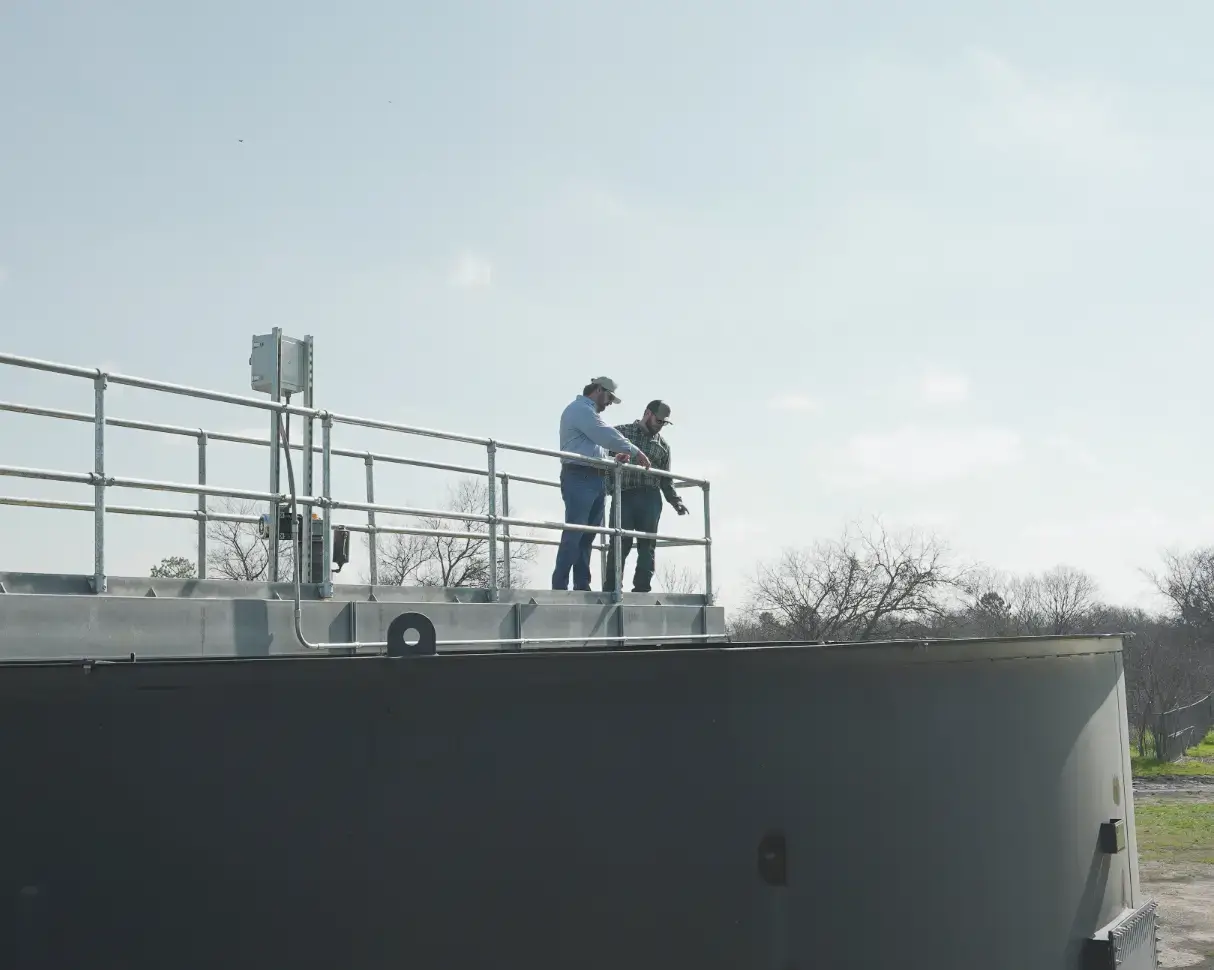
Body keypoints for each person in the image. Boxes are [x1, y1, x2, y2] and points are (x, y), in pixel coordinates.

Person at [552, 378, 652, 591]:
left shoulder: (589, 414)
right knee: (575, 532)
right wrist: (635, 451)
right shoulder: (580, 410)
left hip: (594, 477)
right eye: (608, 397)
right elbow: (605, 435)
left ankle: (581, 584)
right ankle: (559, 586)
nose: (608, 403)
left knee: (587, 535)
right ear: (598, 390)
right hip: (579, 475)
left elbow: (593, 448)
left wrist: (611, 461)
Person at [602, 400, 688, 593]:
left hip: (651, 498)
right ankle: (612, 588)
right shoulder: (621, 433)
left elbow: (666, 478)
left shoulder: (663, 446)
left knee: (647, 546)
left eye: (665, 423)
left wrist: (676, 501)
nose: (661, 426)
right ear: (647, 413)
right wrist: (608, 487)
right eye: (659, 421)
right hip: (624, 495)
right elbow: (602, 460)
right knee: (619, 541)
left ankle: (642, 589)